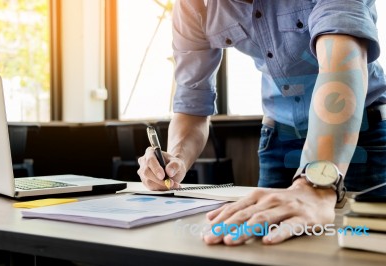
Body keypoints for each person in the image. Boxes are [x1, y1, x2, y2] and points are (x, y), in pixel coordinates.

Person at [137, 0, 386, 245]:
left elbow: (340, 67)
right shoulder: (193, 5)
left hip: (362, 137)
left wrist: (315, 183)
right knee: (259, 244)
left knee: (358, 246)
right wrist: (176, 159)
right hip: (278, 140)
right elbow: (192, 105)